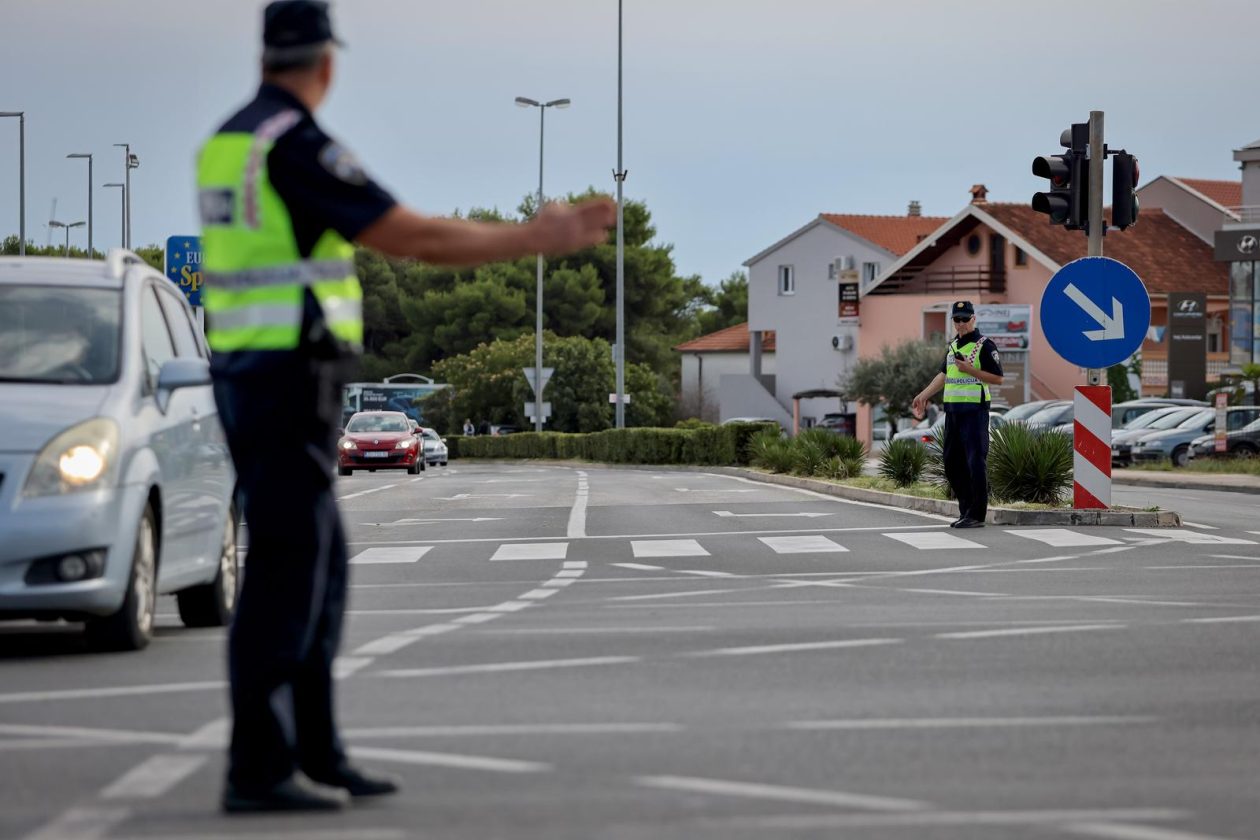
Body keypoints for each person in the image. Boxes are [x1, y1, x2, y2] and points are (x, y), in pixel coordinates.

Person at [198, 0, 614, 814]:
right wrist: (532, 239)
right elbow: (410, 236)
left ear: (264, 56)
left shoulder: (227, 143)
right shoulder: (294, 144)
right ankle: (260, 766)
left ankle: (317, 753)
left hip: (253, 373)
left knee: (317, 571)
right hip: (285, 378)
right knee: (288, 573)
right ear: (327, 62)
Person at [911, 301, 1004, 528]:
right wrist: (923, 395)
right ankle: (966, 511)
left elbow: (998, 378)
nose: (961, 323)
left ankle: (977, 515)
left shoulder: (984, 345)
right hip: (953, 413)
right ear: (953, 321)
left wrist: (970, 369)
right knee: (951, 463)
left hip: (974, 412)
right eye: (957, 319)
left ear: (973, 319)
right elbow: (944, 375)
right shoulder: (953, 346)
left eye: (965, 319)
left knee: (975, 462)